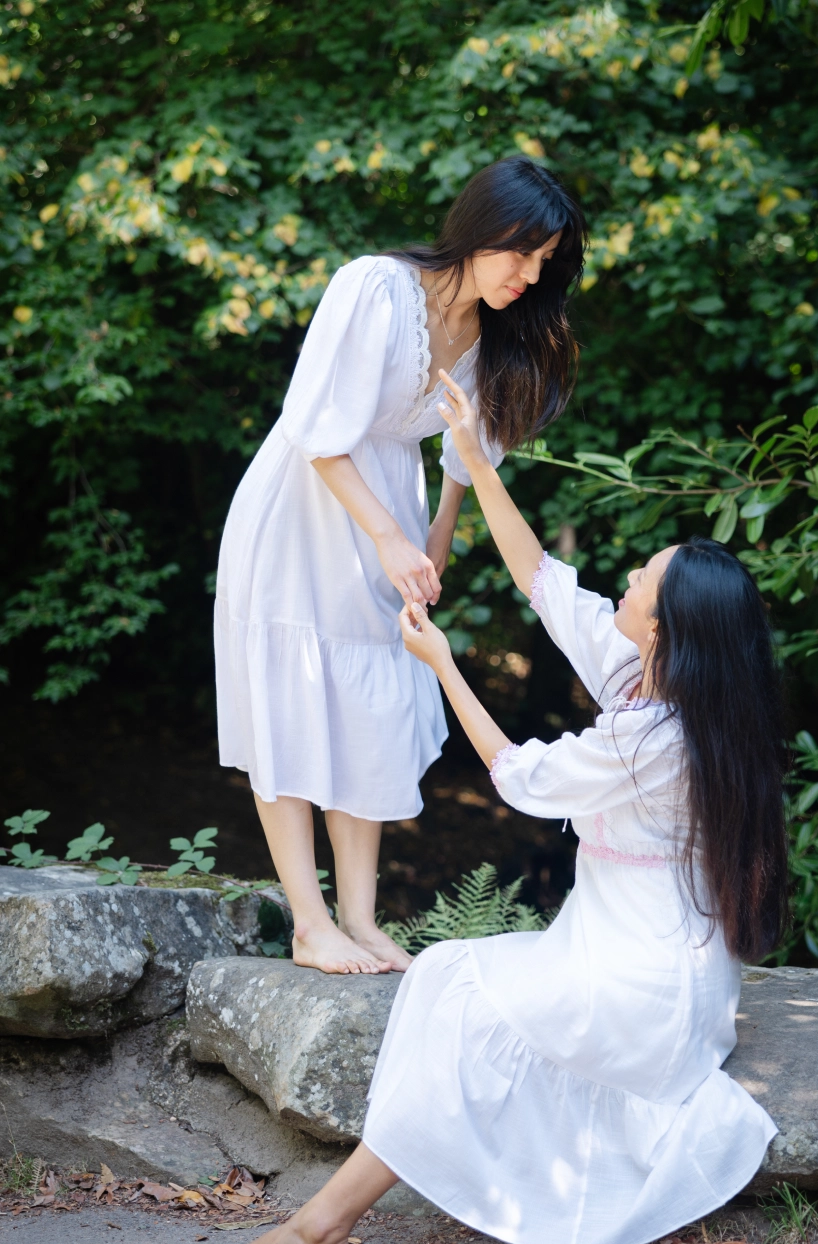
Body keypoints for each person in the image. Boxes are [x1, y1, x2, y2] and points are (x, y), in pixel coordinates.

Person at [205, 371, 789, 1244]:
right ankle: (357, 1219)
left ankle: (321, 1224)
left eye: (648, 577)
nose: (630, 575)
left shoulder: (653, 737)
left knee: (459, 997)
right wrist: (473, 461)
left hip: (643, 985)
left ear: (667, 625)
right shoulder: (662, 684)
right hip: (630, 956)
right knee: (446, 980)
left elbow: (519, 776)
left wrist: (440, 664)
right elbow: (543, 581)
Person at [214, 157, 585, 975]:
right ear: (482, 231)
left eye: (544, 261)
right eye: (520, 253)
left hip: (391, 506)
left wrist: (434, 535)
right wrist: (388, 535)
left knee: (371, 701)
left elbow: (465, 453)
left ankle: (362, 916)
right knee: (294, 691)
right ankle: (310, 924)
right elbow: (317, 430)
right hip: (308, 504)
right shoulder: (374, 287)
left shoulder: (493, 334)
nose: (529, 275)